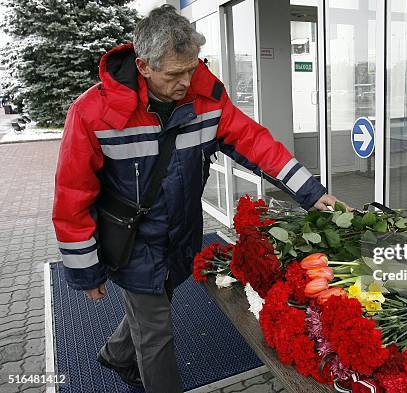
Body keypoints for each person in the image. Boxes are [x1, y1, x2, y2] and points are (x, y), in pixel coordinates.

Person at [51, 5, 345, 393]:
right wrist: (86, 270)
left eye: (192, 68)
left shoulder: (207, 97)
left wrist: (313, 192)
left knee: (155, 305)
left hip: (180, 233)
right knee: (157, 333)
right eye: (175, 74)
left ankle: (117, 354)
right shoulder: (92, 113)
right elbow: (71, 196)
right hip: (131, 242)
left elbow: (255, 143)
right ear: (143, 67)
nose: (187, 81)